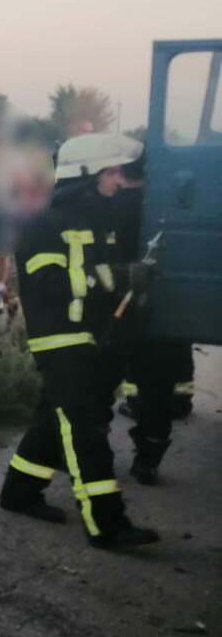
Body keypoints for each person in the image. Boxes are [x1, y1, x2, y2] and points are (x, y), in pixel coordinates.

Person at [0, 133, 158, 549]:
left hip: (90, 337)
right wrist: (119, 277)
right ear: (86, 176)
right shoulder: (43, 223)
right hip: (58, 339)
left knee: (55, 419)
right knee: (84, 427)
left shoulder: (97, 221)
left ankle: (18, 492)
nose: (118, 181)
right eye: (111, 172)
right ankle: (107, 525)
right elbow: (48, 284)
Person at [103, 161, 187, 485]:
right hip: (162, 313)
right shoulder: (173, 210)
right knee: (158, 391)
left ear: (119, 172)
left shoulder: (107, 207)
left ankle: (91, 458)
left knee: (97, 387)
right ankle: (147, 463)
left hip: (115, 314)